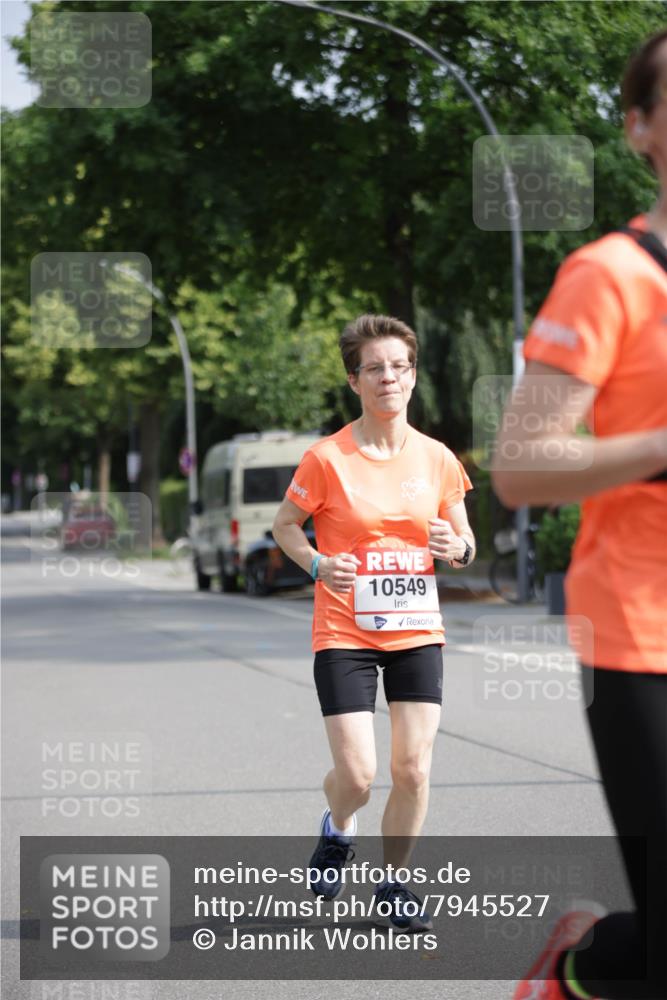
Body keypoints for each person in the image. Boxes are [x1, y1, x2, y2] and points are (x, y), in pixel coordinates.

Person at [492, 29, 667, 1000]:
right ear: (639, 127)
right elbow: (519, 468)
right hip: (643, 631)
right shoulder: (611, 275)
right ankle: (575, 969)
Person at [272, 313, 475, 932]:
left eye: (399, 367)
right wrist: (316, 564)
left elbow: (466, 540)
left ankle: (395, 883)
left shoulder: (438, 459)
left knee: (412, 768)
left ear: (412, 377)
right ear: (355, 381)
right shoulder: (326, 458)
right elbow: (285, 527)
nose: (389, 377)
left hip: (416, 629)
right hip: (345, 631)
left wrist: (455, 546)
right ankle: (337, 828)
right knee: (357, 777)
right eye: (374, 369)